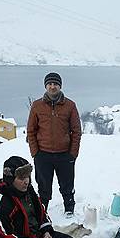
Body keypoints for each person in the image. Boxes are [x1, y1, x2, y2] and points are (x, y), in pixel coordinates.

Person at [27, 72, 82, 216]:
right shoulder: (37, 105)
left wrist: (73, 154)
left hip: (65, 154)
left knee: (67, 185)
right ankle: (42, 210)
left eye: (55, 84)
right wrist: (35, 153)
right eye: (50, 84)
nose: (52, 87)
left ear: (60, 86)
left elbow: (76, 131)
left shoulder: (70, 105)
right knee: (43, 187)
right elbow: (31, 130)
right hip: (43, 155)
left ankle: (69, 208)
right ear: (46, 86)